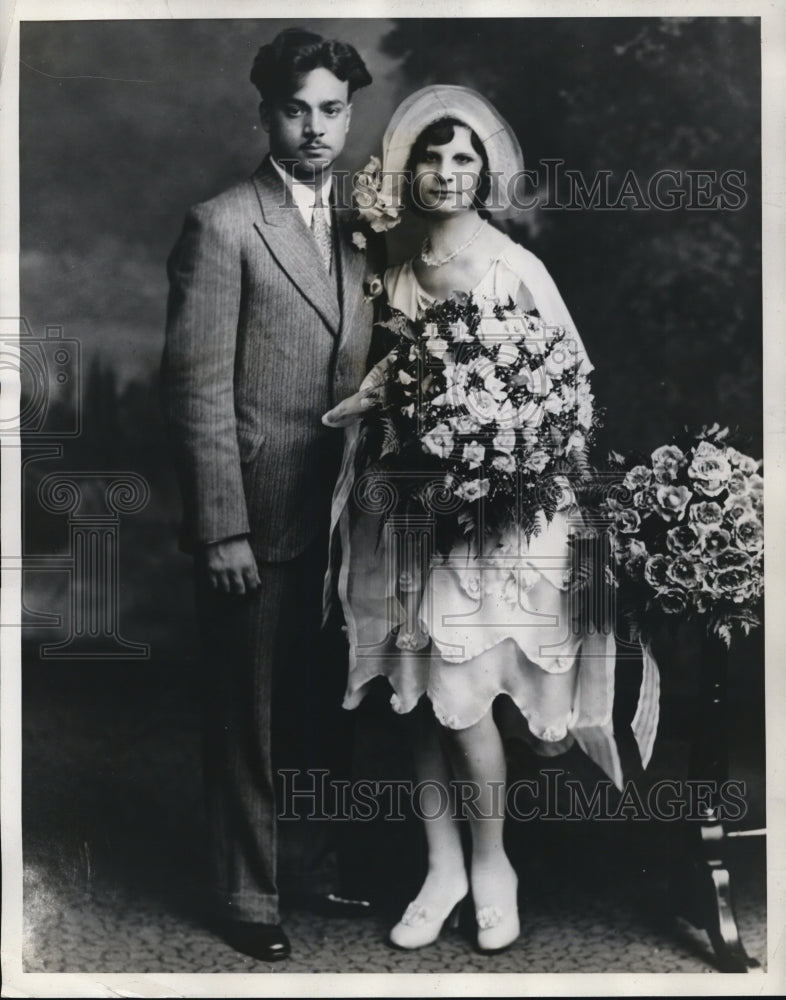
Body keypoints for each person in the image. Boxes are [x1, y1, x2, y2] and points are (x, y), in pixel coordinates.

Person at [323, 86, 660, 954]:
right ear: (412, 170)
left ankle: (492, 863)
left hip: (496, 527)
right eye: (432, 158)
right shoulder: (391, 276)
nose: (446, 173)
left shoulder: (515, 268)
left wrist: (501, 462)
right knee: (418, 697)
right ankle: (440, 867)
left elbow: (573, 393)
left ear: (485, 174)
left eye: (463, 159)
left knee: (464, 695)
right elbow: (370, 394)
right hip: (408, 515)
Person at [161, 27, 378, 962]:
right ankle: (247, 892)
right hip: (254, 510)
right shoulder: (222, 224)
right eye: (297, 110)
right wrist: (221, 530)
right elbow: (197, 388)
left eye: (332, 110)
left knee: (326, 699)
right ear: (266, 112)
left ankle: (318, 861)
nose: (316, 129)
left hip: (343, 515)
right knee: (245, 710)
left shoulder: (367, 227)